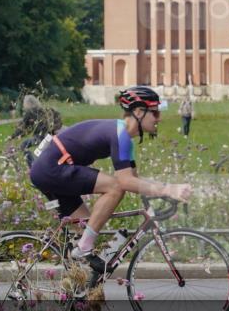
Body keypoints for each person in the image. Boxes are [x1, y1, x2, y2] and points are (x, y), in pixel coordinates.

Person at [29, 86, 191, 262]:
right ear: (138, 111)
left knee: (87, 231)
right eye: (155, 113)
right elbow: (125, 182)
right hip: (52, 168)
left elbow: (134, 180)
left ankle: (76, 283)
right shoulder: (120, 134)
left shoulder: (124, 138)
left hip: (53, 170)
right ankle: (83, 249)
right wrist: (167, 189)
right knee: (115, 187)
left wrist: (165, 188)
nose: (159, 118)